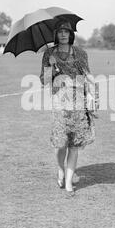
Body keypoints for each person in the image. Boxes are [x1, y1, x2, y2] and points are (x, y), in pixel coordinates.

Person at [40, 20, 96, 197]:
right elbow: (44, 81)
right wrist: (50, 66)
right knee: (61, 142)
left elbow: (87, 75)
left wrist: (93, 96)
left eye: (66, 31)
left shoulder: (80, 53)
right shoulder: (49, 53)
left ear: (71, 34)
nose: (63, 34)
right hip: (60, 102)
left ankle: (70, 183)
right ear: (55, 34)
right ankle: (60, 169)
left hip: (78, 102)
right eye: (60, 32)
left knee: (74, 144)